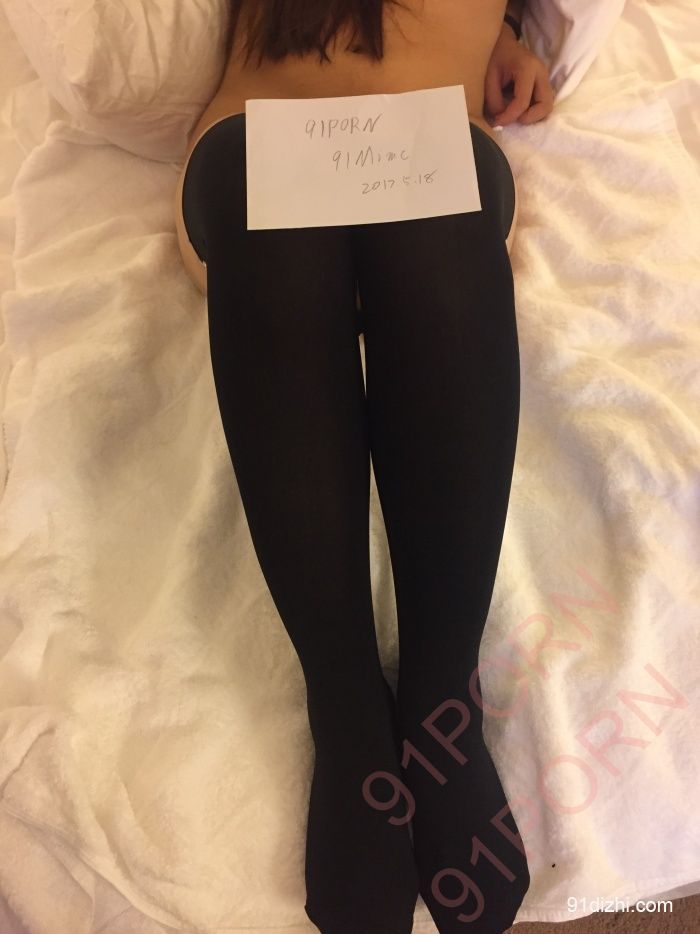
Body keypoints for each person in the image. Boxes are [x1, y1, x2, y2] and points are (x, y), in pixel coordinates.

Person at [174, 2, 554, 932]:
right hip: (258, 144)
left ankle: (440, 696)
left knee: (438, 232)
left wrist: (510, 35)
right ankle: (344, 704)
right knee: (270, 218)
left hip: (432, 153)